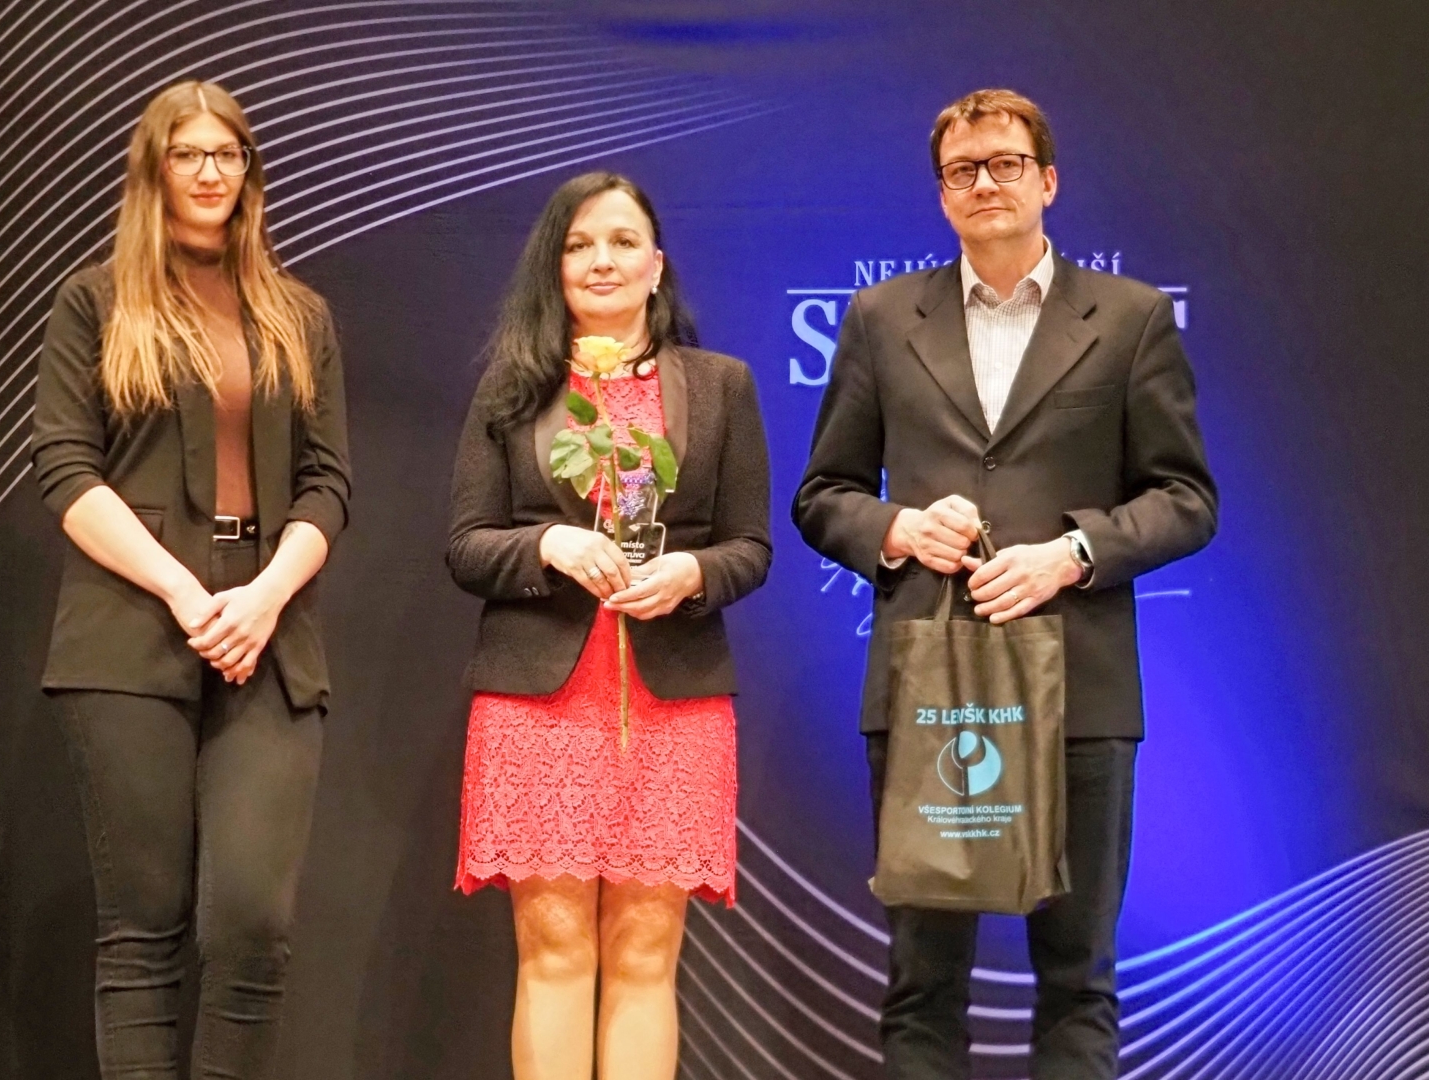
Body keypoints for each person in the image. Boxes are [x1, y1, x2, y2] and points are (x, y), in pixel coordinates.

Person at [793, 89, 1217, 1078]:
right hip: (928, 688)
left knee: (1078, 981)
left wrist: (1072, 553)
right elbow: (824, 495)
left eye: (1006, 163)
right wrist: (898, 528)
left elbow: (1187, 498)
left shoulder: (1131, 318)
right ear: (942, 195)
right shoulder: (880, 318)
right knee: (921, 986)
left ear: (1048, 180)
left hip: (1080, 690)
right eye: (962, 170)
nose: (984, 182)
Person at [30, 80, 350, 1078]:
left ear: (249, 171)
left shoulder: (299, 313)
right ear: (154, 170)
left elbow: (328, 484)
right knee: (141, 928)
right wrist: (181, 589)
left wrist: (264, 597)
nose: (211, 172)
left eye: (228, 153)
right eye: (188, 154)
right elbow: (66, 470)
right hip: (131, 627)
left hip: (269, 625)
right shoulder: (95, 300)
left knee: (252, 922)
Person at [448, 171, 771, 1080]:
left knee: (644, 953)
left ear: (656, 265)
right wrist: (546, 543)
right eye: (580, 244)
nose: (602, 260)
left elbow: (750, 547)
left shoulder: (720, 386)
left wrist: (692, 574)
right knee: (554, 952)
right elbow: (467, 546)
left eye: (623, 242)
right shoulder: (514, 387)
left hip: (672, 702)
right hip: (539, 704)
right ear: (554, 268)